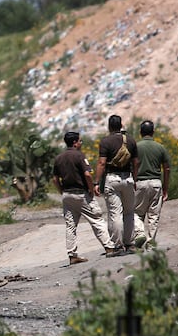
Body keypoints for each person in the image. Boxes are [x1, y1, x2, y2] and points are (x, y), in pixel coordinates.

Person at [52, 131, 120, 265]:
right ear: (74, 143)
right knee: (97, 219)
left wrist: (62, 191)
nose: (81, 143)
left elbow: (55, 179)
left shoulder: (59, 158)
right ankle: (109, 247)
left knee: (70, 226)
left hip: (67, 195)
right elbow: (87, 175)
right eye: (80, 141)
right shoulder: (79, 156)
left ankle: (72, 255)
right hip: (81, 194)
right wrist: (91, 189)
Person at [94, 114, 138, 256]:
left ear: (109, 126)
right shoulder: (130, 140)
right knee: (129, 212)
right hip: (128, 179)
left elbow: (101, 163)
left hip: (112, 179)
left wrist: (96, 182)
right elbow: (136, 162)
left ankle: (117, 246)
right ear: (121, 125)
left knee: (115, 213)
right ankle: (130, 244)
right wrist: (135, 179)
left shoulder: (105, 142)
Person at [131, 121, 171, 250]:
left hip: (139, 183)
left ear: (141, 132)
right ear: (153, 132)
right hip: (155, 183)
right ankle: (150, 243)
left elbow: (132, 165)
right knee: (154, 215)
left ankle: (140, 233)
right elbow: (167, 169)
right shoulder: (160, 147)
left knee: (136, 213)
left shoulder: (136, 147)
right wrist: (165, 188)